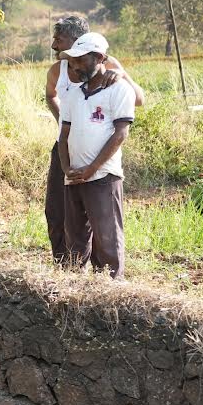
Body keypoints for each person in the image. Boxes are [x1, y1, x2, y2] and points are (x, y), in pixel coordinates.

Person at [44, 16, 145, 263]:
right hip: (66, 150)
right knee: (58, 212)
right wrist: (66, 123)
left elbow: (138, 99)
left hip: (98, 156)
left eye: (59, 39)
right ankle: (65, 266)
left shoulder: (108, 66)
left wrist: (120, 75)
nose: (54, 46)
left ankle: (104, 275)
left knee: (102, 219)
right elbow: (51, 96)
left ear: (78, 41)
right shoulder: (58, 69)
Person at [58, 32, 136, 279]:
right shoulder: (73, 94)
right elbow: (64, 136)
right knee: (75, 239)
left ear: (99, 58)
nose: (75, 65)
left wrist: (92, 168)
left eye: (81, 60)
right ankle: (75, 289)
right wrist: (66, 168)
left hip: (103, 176)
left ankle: (111, 290)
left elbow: (120, 134)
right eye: (73, 60)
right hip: (74, 177)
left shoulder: (119, 90)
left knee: (107, 238)